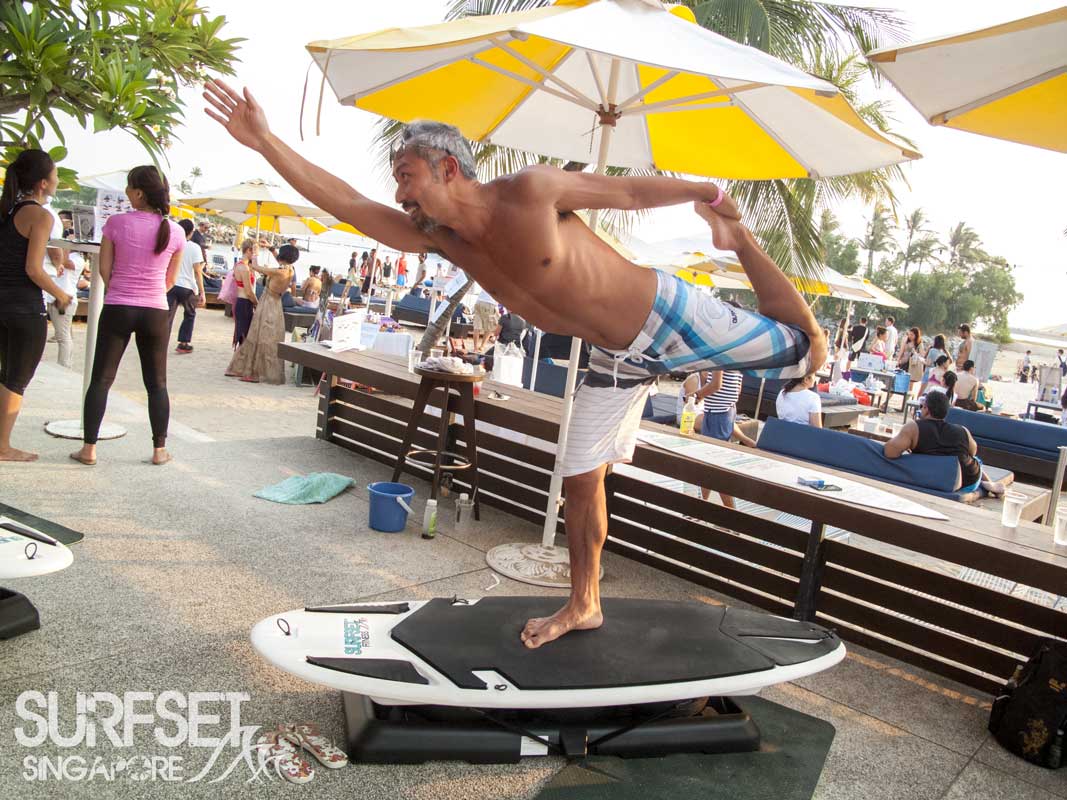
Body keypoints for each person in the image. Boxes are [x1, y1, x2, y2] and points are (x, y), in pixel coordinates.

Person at [204, 81, 825, 648]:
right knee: (581, 475)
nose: (399, 193)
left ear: (449, 167)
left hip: (664, 315)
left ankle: (745, 247)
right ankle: (585, 603)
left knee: (800, 347)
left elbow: (630, 192)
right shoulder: (440, 237)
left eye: (406, 175)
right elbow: (346, 202)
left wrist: (707, 195)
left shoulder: (530, 191)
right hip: (614, 358)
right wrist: (264, 141)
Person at [71, 165, 185, 467]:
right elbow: (170, 280)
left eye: (128, 187)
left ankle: (89, 450)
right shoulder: (175, 231)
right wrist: (149, 292)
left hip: (119, 306)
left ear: (138, 193)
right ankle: (159, 450)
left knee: (101, 380)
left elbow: (104, 270)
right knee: (157, 384)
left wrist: (121, 289)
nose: (125, 192)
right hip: (155, 311)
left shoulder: (116, 223)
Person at [0, 149, 73, 461]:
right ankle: (3, 446)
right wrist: (61, 294)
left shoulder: (7, 210)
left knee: (5, 375)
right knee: (16, 380)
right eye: (55, 175)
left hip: (3, 304)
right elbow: (33, 268)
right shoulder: (41, 216)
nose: (57, 180)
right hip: (24, 308)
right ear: (43, 183)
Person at [884, 390, 1004, 496]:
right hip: (969, 480)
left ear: (926, 409)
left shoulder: (913, 427)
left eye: (922, 406)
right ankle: (988, 482)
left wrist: (910, 446)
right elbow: (973, 452)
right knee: (976, 460)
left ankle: (988, 482)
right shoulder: (962, 430)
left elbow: (890, 452)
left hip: (938, 477)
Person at [226, 243, 297, 384]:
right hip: (276, 304)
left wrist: (256, 252)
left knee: (260, 337)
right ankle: (253, 370)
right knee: (269, 338)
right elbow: (280, 260)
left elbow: (256, 267)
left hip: (267, 303)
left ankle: (254, 373)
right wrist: (271, 249)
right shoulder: (290, 270)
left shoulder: (279, 272)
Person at [692, 368, 754, 509]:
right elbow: (737, 389)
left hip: (716, 412)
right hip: (726, 411)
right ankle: (700, 505)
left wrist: (695, 396)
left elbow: (715, 385)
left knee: (713, 466)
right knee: (709, 464)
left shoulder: (720, 357)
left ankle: (731, 513)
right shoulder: (737, 359)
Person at [44, 207, 78, 368]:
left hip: (65, 298)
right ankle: (65, 363)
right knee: (63, 334)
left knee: (63, 336)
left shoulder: (77, 259)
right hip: (55, 295)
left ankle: (64, 365)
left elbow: (63, 261)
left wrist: (64, 238)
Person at [167, 219, 206, 355]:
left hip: (172, 284)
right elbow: (197, 271)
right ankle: (183, 343)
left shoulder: (172, 243)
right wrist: (202, 291)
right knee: (189, 314)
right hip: (188, 287)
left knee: (168, 316)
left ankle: (161, 342)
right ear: (190, 232)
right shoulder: (194, 247)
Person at [230, 239, 258, 349]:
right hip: (245, 303)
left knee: (242, 334)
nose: (256, 254)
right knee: (244, 335)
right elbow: (249, 291)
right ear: (248, 251)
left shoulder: (239, 265)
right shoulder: (245, 269)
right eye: (255, 251)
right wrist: (257, 303)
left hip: (241, 302)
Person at [472, 286, 500, 352]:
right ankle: (482, 346)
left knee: (477, 327)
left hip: (479, 302)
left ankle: (475, 348)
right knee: (489, 328)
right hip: (490, 303)